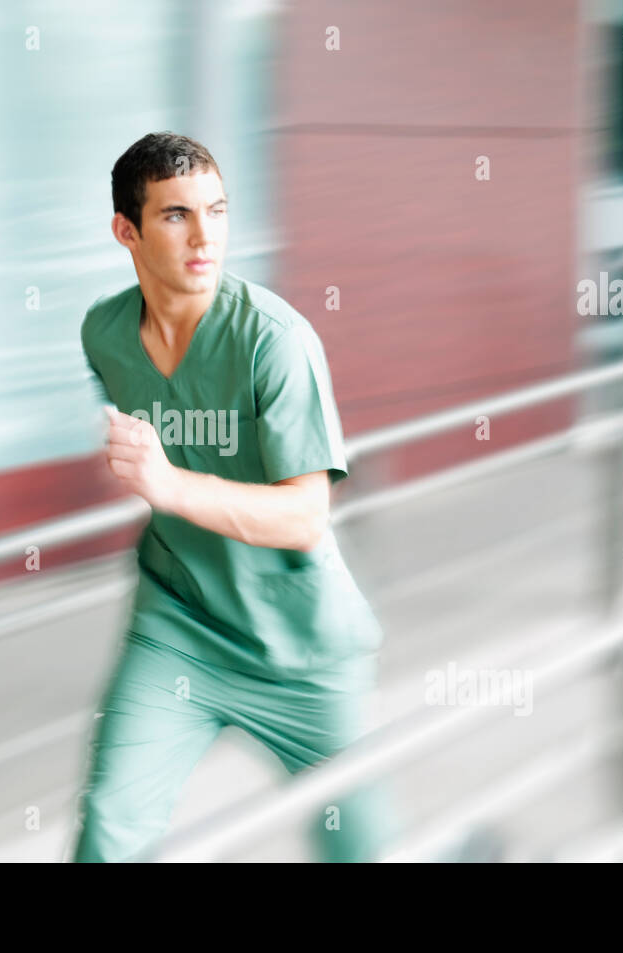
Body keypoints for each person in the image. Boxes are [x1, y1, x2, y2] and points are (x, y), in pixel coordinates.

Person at [71, 131, 398, 862]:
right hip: (178, 626)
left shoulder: (275, 341)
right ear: (127, 230)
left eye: (216, 211)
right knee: (108, 830)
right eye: (177, 215)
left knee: (362, 850)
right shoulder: (104, 333)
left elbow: (306, 514)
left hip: (303, 649)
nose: (204, 236)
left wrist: (169, 483)